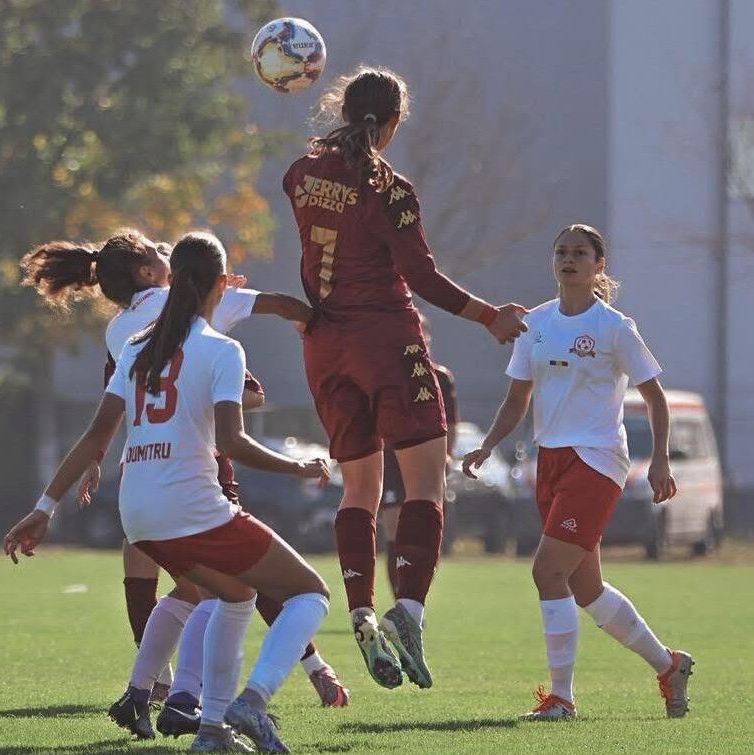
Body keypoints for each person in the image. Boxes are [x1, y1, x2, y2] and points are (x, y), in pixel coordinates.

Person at [5, 231, 333, 755]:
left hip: (137, 510)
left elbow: (95, 436)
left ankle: (210, 727)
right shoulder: (223, 348)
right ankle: (252, 701)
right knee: (310, 593)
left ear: (172, 279)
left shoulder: (133, 345)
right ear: (222, 285)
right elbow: (233, 441)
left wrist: (44, 508)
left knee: (235, 594)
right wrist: (299, 467)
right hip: (191, 506)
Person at [283, 65, 527, 690]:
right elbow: (420, 277)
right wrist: (489, 317)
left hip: (325, 348)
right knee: (425, 485)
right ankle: (408, 612)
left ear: (342, 110)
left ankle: (360, 610)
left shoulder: (300, 173)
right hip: (388, 343)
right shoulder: (390, 189)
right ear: (393, 122)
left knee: (358, 490)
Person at [462, 224, 694, 720]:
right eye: (562, 252)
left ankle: (562, 699)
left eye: (580, 253)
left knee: (547, 571)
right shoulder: (535, 322)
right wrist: (488, 443)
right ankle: (669, 664)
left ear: (598, 265)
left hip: (597, 460)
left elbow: (655, 397)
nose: (569, 259)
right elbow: (517, 398)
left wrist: (660, 460)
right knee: (586, 589)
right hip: (549, 460)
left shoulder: (615, 327)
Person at [379, 316, 458, 598]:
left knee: (425, 533)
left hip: (428, 462)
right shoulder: (385, 375)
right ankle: (399, 600)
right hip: (392, 461)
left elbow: (451, 424)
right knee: (394, 527)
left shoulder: (441, 378)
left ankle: (416, 600)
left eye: (422, 334)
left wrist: (447, 456)